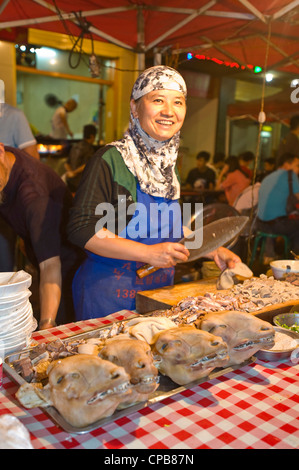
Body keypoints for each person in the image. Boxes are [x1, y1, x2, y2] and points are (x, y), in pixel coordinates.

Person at [67, 65, 241, 321]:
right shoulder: (111, 159)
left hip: (158, 295)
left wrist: (212, 249)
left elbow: (166, 228)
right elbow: (80, 229)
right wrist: (148, 254)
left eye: (178, 102)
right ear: (135, 107)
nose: (169, 111)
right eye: (157, 100)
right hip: (108, 298)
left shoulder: (168, 165)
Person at [0, 143, 84, 329]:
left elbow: (50, 266)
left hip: (66, 268)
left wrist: (47, 324)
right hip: (39, 249)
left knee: (59, 329)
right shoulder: (7, 160)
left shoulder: (34, 197)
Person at [0, 103, 40, 272]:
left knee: (3, 264)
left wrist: (28, 223)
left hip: (4, 207)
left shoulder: (12, 116)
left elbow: (32, 164)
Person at [257, 152, 299, 254]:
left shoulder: (268, 177)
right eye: (297, 165)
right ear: (286, 165)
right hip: (276, 225)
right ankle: (295, 261)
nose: (298, 169)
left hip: (260, 224)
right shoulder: (290, 175)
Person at [63, 124, 97, 193]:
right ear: (92, 136)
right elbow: (87, 165)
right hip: (81, 184)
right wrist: (74, 173)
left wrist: (70, 173)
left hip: (70, 182)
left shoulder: (75, 146)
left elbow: (66, 163)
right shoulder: (89, 149)